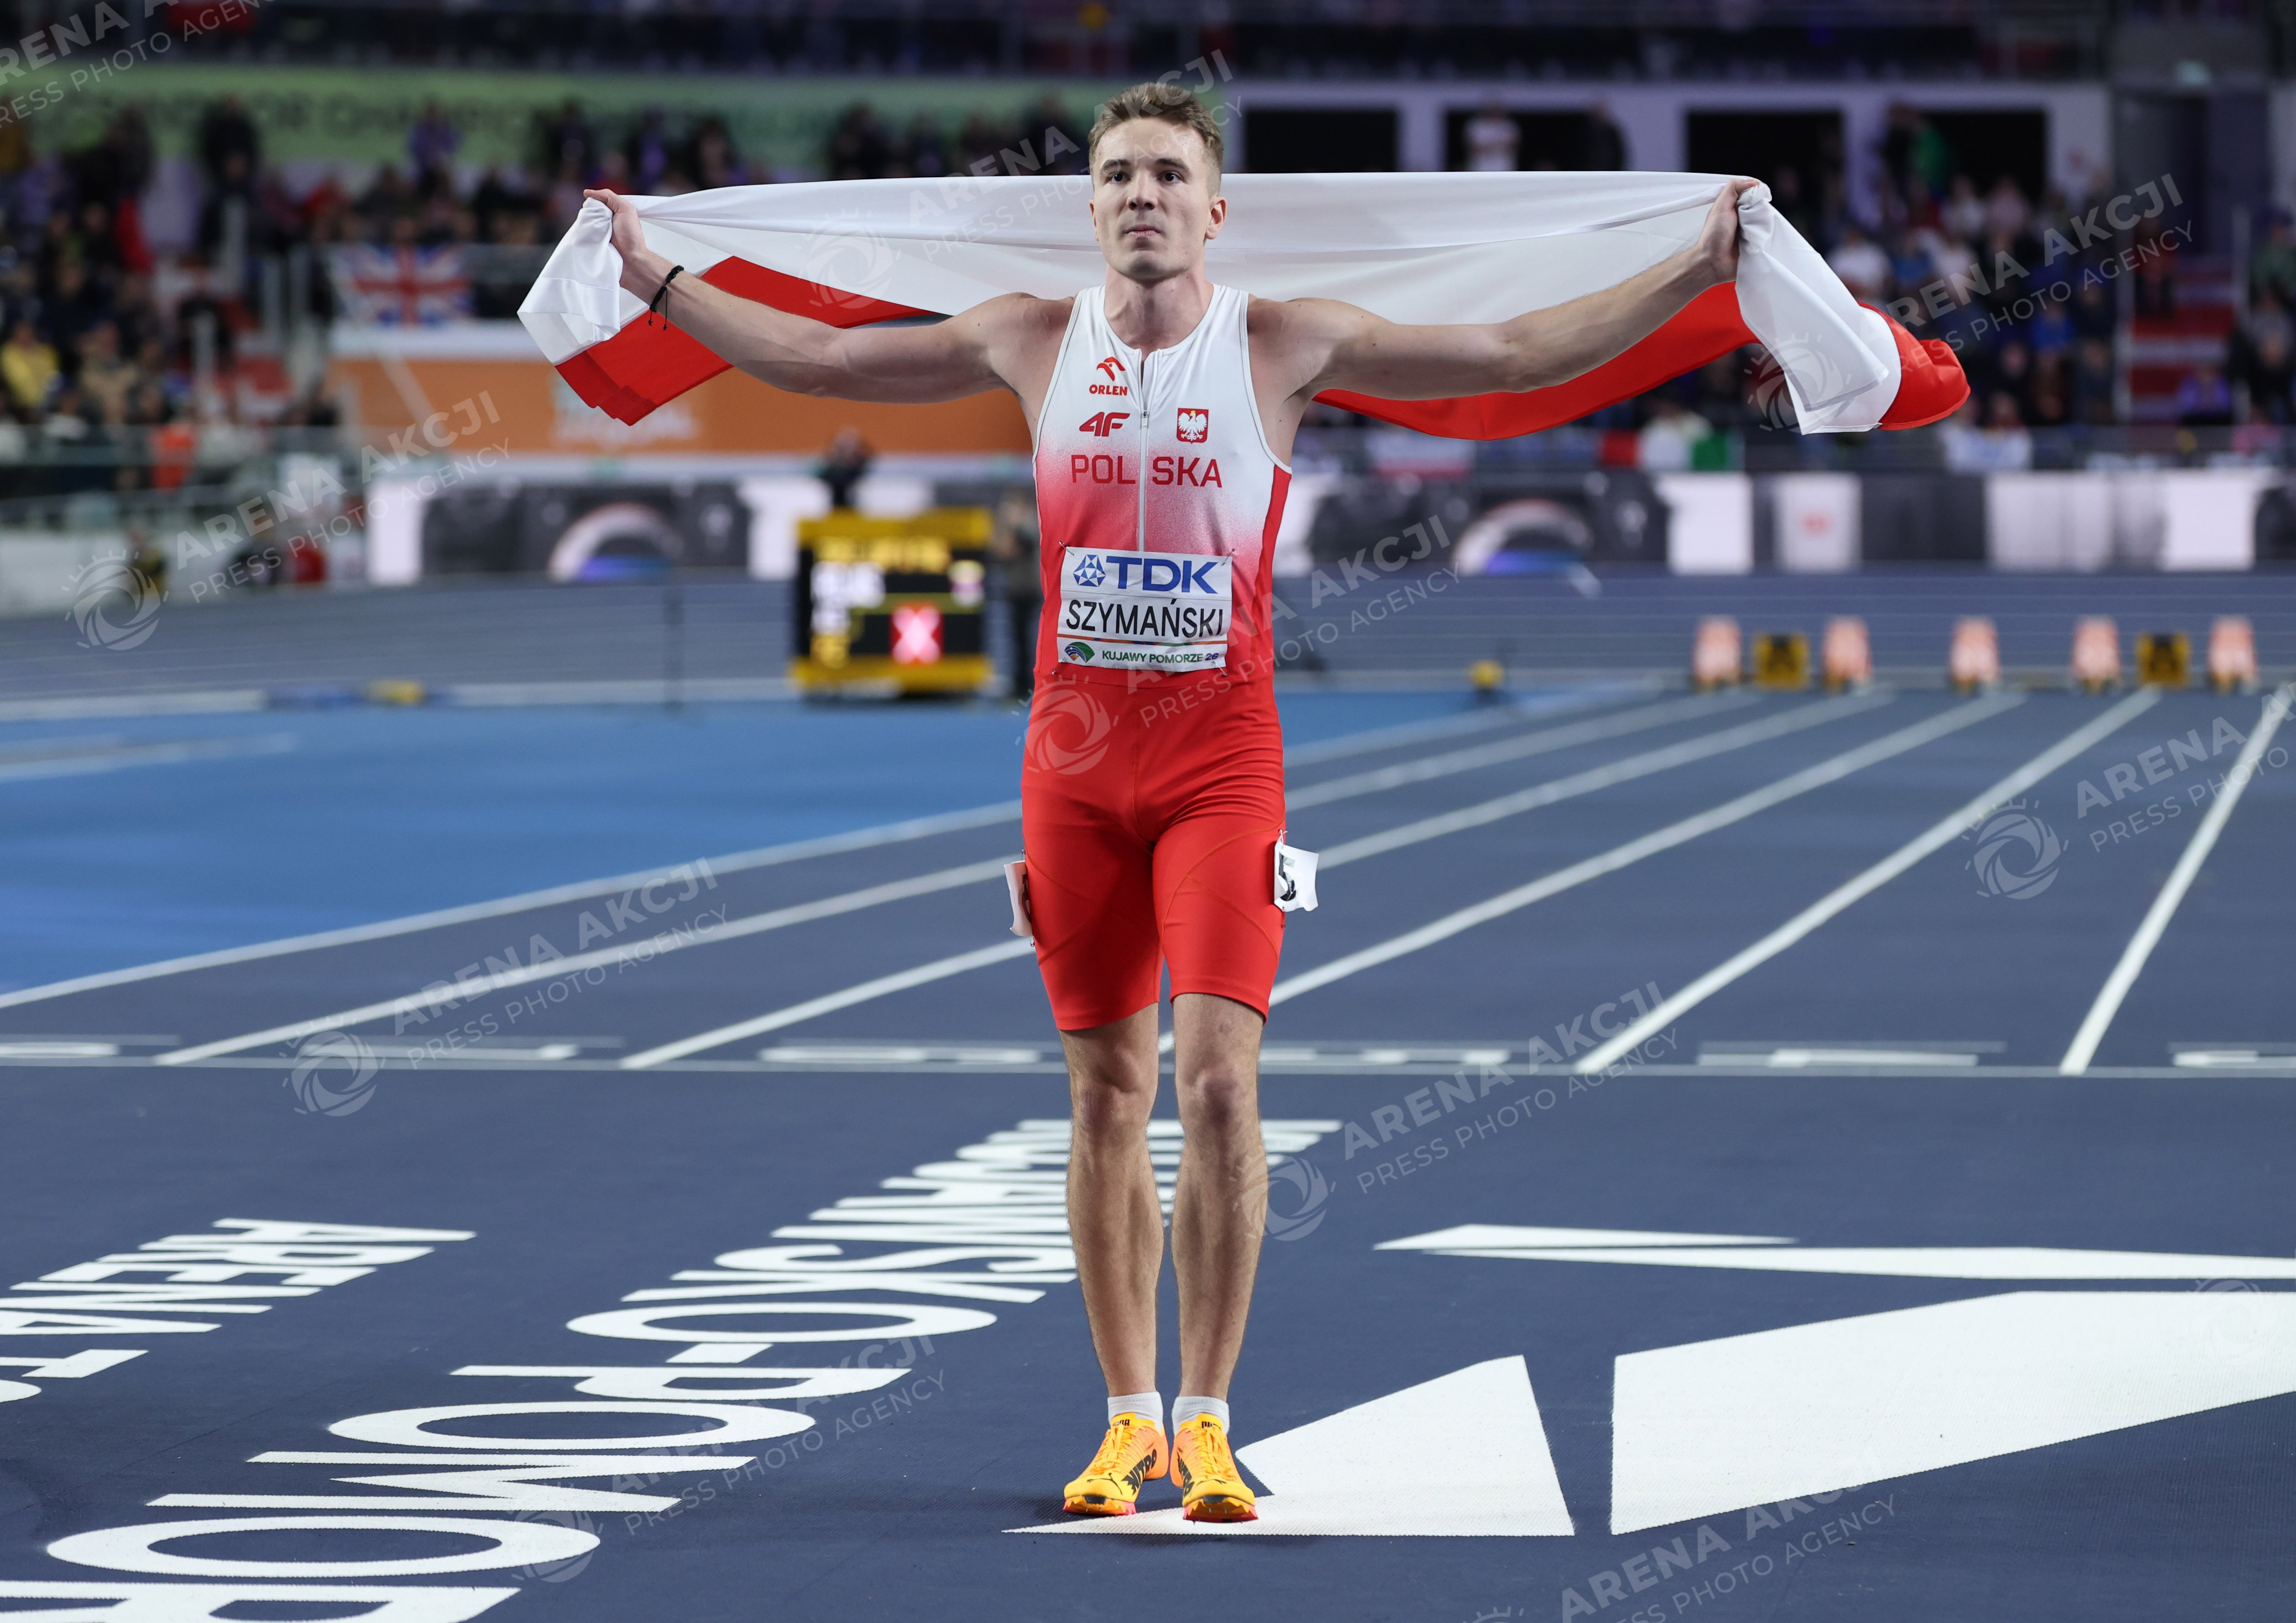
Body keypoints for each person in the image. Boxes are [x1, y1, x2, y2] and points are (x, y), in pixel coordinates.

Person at [583, 79, 1755, 1525]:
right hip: (1073, 770)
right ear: (1089, 208)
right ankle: (1123, 1422)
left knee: (1216, 1081)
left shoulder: (1279, 340)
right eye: (1119, 175)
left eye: (1166, 175)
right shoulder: (1027, 336)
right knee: (1103, 1093)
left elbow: (1513, 352)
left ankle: (1208, 1421)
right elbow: (820, 360)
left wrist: (1694, 268)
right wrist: (654, 274)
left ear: (1214, 209)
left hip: (1219, 759)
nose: (1141, 194)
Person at [990, 486, 1043, 700]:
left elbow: (1030, 541)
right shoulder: (1006, 528)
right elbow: (1001, 552)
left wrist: (1017, 524)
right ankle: (1019, 683)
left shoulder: (1031, 523)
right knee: (1017, 639)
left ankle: (1031, 682)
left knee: (1031, 638)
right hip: (1015, 589)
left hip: (1030, 588)